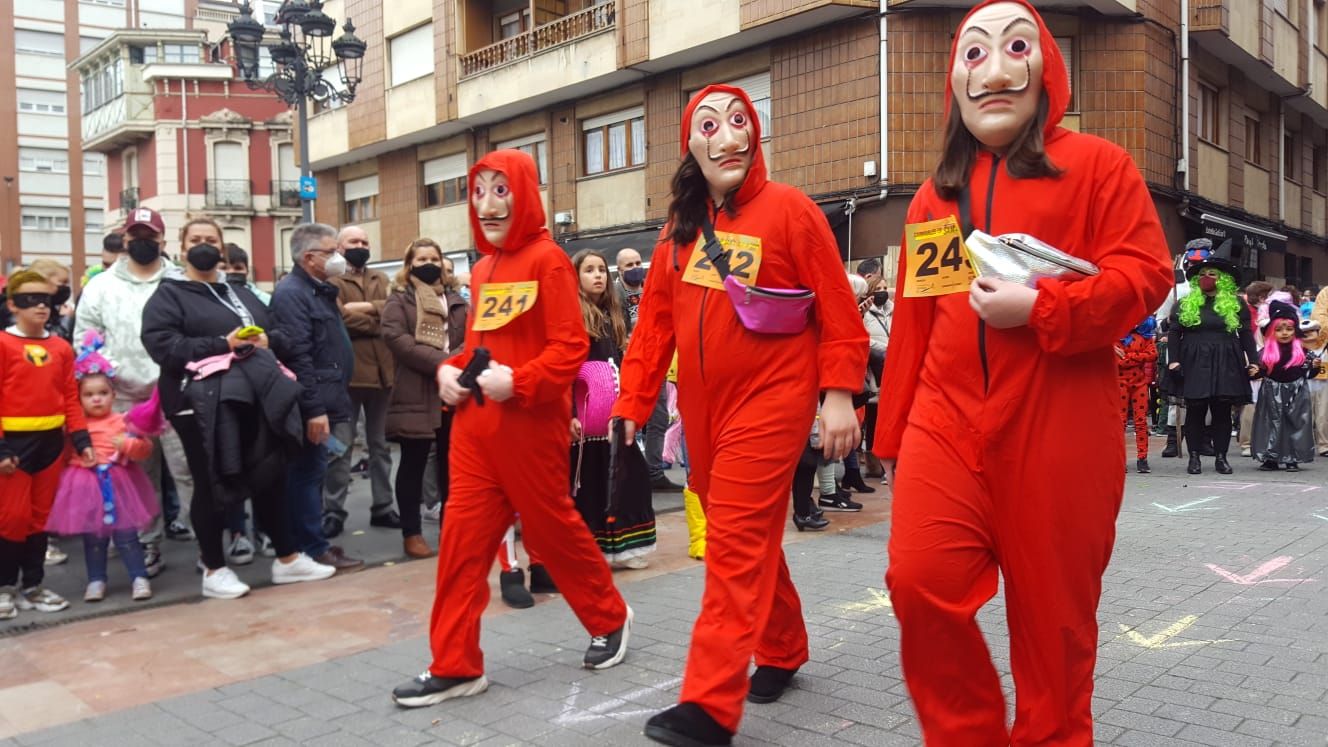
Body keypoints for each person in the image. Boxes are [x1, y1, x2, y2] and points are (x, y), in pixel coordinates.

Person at [871, 2, 1172, 743]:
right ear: (954, 78)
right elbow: (916, 322)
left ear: (1047, 70)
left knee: (1054, 629)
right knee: (919, 584)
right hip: (944, 425)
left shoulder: (1099, 166)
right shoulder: (930, 198)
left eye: (1015, 47)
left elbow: (1145, 276)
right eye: (974, 53)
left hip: (1060, 428)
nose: (996, 70)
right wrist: (892, 437)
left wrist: (1043, 307)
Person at [613, 84, 867, 745]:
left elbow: (839, 308)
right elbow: (654, 328)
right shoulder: (679, 230)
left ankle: (708, 704)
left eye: (738, 121)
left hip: (773, 399)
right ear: (690, 145)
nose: (726, 135)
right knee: (741, 531)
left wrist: (838, 391)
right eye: (709, 124)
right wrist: (632, 402)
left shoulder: (792, 211)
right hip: (703, 409)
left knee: (731, 540)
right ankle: (782, 646)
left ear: (754, 135)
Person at [391, 149, 631, 709]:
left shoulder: (548, 260)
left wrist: (518, 383)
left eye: (502, 190)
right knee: (459, 549)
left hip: (529, 429)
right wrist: (451, 373)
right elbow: (478, 347)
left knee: (552, 534)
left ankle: (609, 617)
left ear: (524, 194)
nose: (488, 204)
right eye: (479, 191)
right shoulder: (482, 268)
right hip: (476, 435)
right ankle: (455, 665)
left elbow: (569, 347)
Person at [141, 219, 338, 598]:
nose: (204, 246)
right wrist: (221, 344)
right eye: (195, 240)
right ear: (181, 248)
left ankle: (287, 559)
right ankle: (214, 569)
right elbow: (163, 346)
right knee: (212, 482)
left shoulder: (240, 293)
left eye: (210, 240)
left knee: (270, 475)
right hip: (197, 405)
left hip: (255, 398)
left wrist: (266, 339)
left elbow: (281, 334)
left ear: (222, 247)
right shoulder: (169, 295)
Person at [73, 208, 193, 576]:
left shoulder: (180, 280)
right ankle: (148, 545)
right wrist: (115, 375)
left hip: (177, 393)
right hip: (124, 400)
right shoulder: (100, 287)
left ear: (162, 240)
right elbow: (86, 340)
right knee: (140, 477)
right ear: (124, 240)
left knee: (189, 471)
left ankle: (206, 541)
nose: (142, 242)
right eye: (135, 235)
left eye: (149, 235)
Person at [269, 224, 364, 573]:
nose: (338, 257)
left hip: (330, 396)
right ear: (309, 258)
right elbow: (299, 357)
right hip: (316, 402)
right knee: (306, 475)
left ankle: (312, 544)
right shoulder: (293, 293)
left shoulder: (318, 290)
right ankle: (309, 547)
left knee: (313, 472)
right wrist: (314, 410)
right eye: (331, 251)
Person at [0, 271, 95, 618]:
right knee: (12, 517)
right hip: (13, 445)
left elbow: (70, 396)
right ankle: (5, 586)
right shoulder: (2, 344)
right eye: (29, 299)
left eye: (46, 299)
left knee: (40, 519)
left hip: (52, 443)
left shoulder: (60, 347)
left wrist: (81, 437)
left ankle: (33, 585)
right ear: (12, 305)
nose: (40, 306)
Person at [45, 336, 156, 602]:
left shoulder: (123, 421)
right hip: (86, 485)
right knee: (93, 538)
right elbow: (65, 455)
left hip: (120, 483)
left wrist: (127, 445)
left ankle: (138, 576)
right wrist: (78, 459)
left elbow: (145, 449)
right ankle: (96, 579)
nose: (96, 400)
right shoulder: (75, 427)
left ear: (113, 395)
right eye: (89, 395)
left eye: (103, 394)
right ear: (78, 397)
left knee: (127, 534)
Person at [569, 250, 656, 569]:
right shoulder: (571, 318)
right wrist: (569, 414)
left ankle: (628, 547)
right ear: (575, 278)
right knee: (590, 485)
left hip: (615, 413)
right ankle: (595, 550)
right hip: (585, 417)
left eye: (601, 270)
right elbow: (565, 371)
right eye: (589, 270)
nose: (598, 275)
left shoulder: (613, 315)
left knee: (630, 477)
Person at [381, 240, 467, 559]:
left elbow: (472, 337)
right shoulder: (399, 300)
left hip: (452, 390)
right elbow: (396, 338)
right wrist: (440, 361)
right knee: (413, 463)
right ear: (409, 264)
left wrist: (454, 361)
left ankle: (451, 529)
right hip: (415, 388)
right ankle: (412, 533)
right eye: (421, 258)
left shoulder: (457, 300)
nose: (428, 263)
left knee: (452, 465)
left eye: (434, 258)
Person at [323, 226, 399, 539]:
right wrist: (376, 320)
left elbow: (395, 313)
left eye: (365, 242)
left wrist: (365, 309)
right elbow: (337, 319)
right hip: (348, 377)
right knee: (339, 447)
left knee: (380, 446)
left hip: (383, 376)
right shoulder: (331, 281)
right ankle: (333, 510)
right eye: (354, 241)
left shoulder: (381, 279)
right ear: (339, 247)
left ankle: (383, 506)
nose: (361, 246)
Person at [1168, 239, 1258, 475]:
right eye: (1204, 274)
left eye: (1213, 274)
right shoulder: (1186, 303)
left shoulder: (1236, 303)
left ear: (1223, 279)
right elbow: (1175, 333)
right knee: (1195, 410)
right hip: (1194, 358)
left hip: (1226, 358)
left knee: (1221, 411)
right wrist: (1173, 359)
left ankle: (1221, 457)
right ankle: (1194, 457)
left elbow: (1246, 334)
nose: (1208, 277)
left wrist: (1254, 360)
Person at [1251, 302, 1321, 471]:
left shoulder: (1303, 353)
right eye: (1279, 329)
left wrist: (1315, 366)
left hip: (1296, 392)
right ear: (1271, 332)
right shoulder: (1265, 352)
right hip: (1271, 391)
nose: (1284, 333)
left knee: (1295, 424)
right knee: (1271, 423)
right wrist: (1255, 372)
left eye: (1289, 329)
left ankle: (1292, 457)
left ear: (1295, 331)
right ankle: (1271, 458)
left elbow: (1309, 375)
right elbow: (1261, 372)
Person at [1118, 317, 1158, 473]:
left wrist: (1129, 357)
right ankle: (1120, 460)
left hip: (1139, 383)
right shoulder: (1116, 339)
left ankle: (1143, 458)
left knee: (1141, 421)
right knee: (1119, 423)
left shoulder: (1144, 337)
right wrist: (1139, 356)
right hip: (1119, 383)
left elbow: (1153, 354)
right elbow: (1116, 361)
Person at [1300, 319, 1328, 456]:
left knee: (1323, 416)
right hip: (1305, 384)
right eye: (1304, 332)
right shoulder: (1298, 350)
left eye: (1311, 331)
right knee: (1305, 417)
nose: (1308, 334)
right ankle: (1304, 445)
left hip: (1323, 385)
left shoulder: (1325, 347)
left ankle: (1324, 445)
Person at [615, 248, 646, 333]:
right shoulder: (613, 295)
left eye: (638, 263)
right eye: (629, 265)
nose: (635, 267)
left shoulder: (652, 289)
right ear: (619, 270)